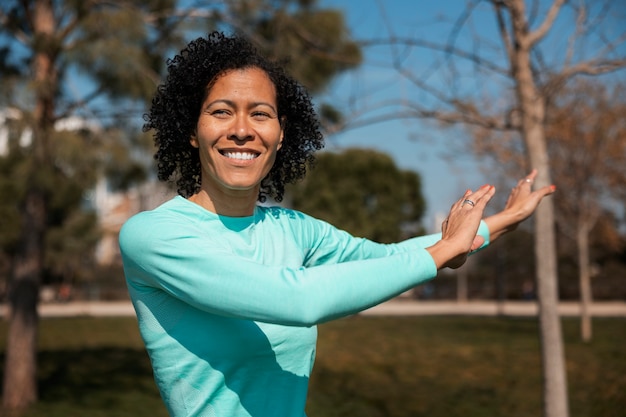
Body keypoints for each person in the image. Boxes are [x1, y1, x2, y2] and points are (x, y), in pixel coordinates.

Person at [119, 31, 555, 417]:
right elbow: (298, 300)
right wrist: (444, 252)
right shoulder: (153, 236)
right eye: (220, 111)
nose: (242, 130)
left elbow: (391, 259)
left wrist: (500, 222)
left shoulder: (293, 229)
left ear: (281, 133)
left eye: (260, 114)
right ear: (191, 130)